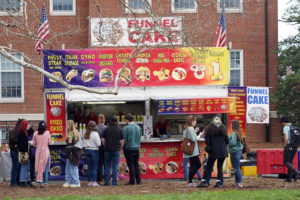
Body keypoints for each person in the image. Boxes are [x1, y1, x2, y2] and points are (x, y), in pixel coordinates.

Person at [198, 116, 229, 188]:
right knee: (220, 167)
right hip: (222, 151)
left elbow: (207, 142)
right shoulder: (224, 131)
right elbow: (227, 141)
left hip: (212, 151)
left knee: (208, 166)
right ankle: (220, 182)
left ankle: (205, 181)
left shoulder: (209, 131)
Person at [102, 116, 124, 186]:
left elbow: (102, 139)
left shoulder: (106, 129)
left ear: (110, 121)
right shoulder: (119, 129)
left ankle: (106, 182)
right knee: (115, 166)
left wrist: (105, 145)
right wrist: (121, 148)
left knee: (107, 166)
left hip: (107, 150)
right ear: (117, 121)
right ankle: (114, 183)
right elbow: (122, 140)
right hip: (116, 150)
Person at [123, 114, 142, 185]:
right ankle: (139, 180)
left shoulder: (126, 128)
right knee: (136, 164)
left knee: (131, 165)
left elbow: (125, 140)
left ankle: (132, 181)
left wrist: (123, 147)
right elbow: (140, 137)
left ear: (127, 120)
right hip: (137, 148)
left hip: (128, 148)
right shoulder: (138, 127)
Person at [183, 115, 201, 187]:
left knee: (194, 165)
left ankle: (190, 181)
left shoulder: (186, 128)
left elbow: (189, 137)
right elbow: (194, 139)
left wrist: (194, 131)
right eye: (195, 120)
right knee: (197, 165)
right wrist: (200, 134)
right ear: (192, 121)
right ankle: (190, 181)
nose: (195, 122)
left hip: (190, 151)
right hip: (193, 151)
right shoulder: (190, 128)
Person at [63, 120, 82, 188]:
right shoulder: (75, 132)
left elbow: (70, 143)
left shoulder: (71, 133)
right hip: (74, 151)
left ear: (70, 125)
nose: (66, 126)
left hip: (74, 152)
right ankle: (69, 182)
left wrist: (68, 151)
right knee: (68, 167)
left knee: (73, 167)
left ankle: (77, 182)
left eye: (67, 125)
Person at [83, 121, 101, 186]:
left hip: (87, 150)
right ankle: (94, 181)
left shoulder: (86, 133)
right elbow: (99, 144)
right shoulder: (95, 134)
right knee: (94, 167)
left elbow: (83, 144)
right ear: (94, 126)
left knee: (89, 167)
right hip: (94, 150)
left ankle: (89, 181)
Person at [33, 121, 51, 188]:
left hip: (38, 153)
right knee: (45, 168)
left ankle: (39, 182)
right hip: (46, 153)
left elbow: (34, 143)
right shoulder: (47, 133)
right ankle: (45, 183)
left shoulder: (35, 133)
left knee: (38, 167)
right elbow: (49, 142)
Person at [281, 116, 299, 182]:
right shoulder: (294, 127)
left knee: (286, 162)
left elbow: (286, 138)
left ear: (283, 122)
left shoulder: (286, 127)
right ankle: (289, 178)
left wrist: (284, 146)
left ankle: (296, 172)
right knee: (290, 162)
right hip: (295, 146)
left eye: (282, 122)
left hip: (289, 146)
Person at [17, 119, 34, 187]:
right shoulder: (22, 133)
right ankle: (22, 181)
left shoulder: (23, 132)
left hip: (24, 152)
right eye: (27, 125)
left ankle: (27, 180)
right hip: (23, 152)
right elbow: (21, 145)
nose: (28, 126)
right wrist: (26, 153)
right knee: (24, 167)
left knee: (27, 167)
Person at [228, 120, 244, 188]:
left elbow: (232, 143)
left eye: (231, 124)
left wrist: (228, 139)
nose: (230, 125)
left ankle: (239, 182)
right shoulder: (239, 132)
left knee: (236, 168)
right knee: (236, 168)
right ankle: (237, 182)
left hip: (234, 152)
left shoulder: (234, 133)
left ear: (233, 125)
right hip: (238, 151)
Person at [9, 119, 23, 187]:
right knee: (15, 166)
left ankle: (18, 181)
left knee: (19, 167)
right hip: (14, 151)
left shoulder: (21, 132)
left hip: (20, 151)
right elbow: (13, 140)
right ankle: (13, 182)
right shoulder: (13, 132)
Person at [97, 114, 107, 183]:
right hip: (105, 147)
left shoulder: (96, 128)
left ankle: (99, 178)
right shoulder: (107, 128)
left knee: (99, 164)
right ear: (104, 119)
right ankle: (106, 177)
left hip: (98, 147)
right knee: (106, 163)